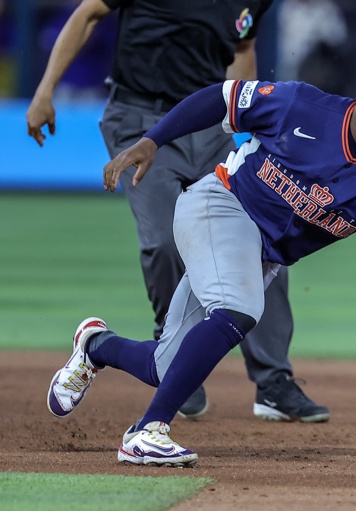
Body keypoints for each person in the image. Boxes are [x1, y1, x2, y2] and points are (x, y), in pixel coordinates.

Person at [46, 42, 356, 467]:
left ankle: (94, 346)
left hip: (259, 256)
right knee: (239, 308)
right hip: (219, 204)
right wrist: (154, 140)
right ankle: (146, 434)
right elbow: (221, 97)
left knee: (168, 367)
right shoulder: (301, 105)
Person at [26, 0, 329, 423]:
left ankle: (273, 380)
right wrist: (44, 91)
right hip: (139, 116)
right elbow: (87, 14)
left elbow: (242, 50)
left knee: (265, 241)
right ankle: (174, 351)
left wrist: (252, 121)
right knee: (165, 241)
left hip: (211, 123)